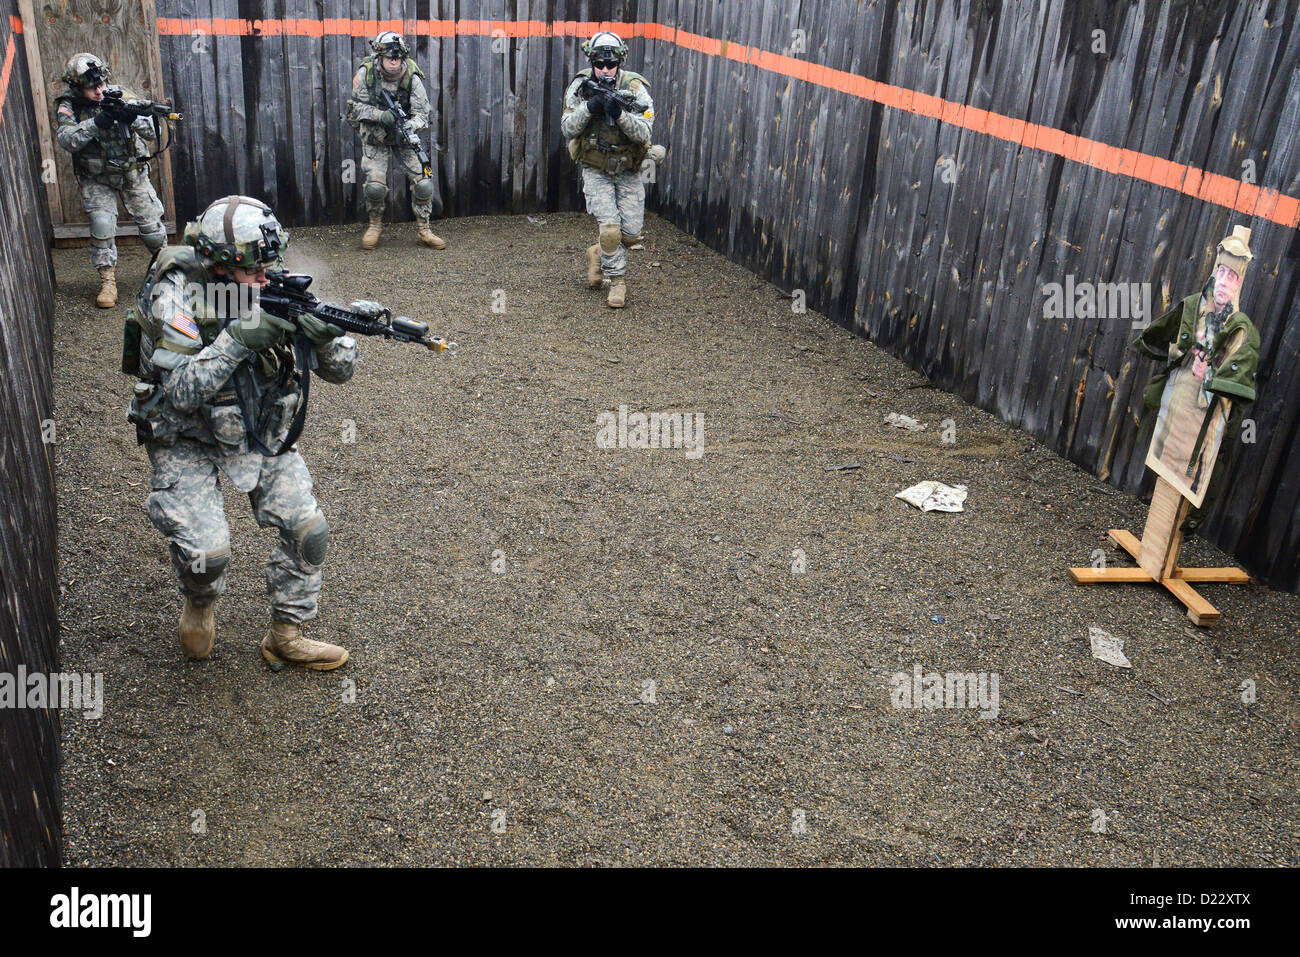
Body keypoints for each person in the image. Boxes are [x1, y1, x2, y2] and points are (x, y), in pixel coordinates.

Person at [124, 195, 358, 669]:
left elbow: (341, 372)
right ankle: (200, 601)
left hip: (257, 429)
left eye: (268, 266)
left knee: (308, 532)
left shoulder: (265, 282)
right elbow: (182, 393)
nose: (264, 279)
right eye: (253, 271)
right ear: (217, 265)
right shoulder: (176, 293)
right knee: (208, 555)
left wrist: (327, 335)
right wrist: (237, 340)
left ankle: (286, 635)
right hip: (184, 435)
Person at [54, 53, 168, 308]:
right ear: (77, 88)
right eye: (91, 88)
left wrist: (133, 118)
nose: (99, 92)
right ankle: (108, 282)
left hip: (131, 172)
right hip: (97, 178)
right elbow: (67, 140)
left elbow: (152, 131)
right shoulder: (69, 106)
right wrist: (96, 123)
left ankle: (167, 274)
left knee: (152, 229)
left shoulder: (121, 96)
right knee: (102, 224)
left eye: (101, 85)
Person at [560, 31, 658, 308]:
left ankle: (598, 252)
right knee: (611, 229)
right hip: (595, 167)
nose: (605, 70)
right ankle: (617, 282)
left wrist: (619, 114)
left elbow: (644, 132)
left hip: (628, 167)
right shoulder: (581, 85)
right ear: (592, 61)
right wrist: (590, 107)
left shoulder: (636, 88)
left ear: (619, 62)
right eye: (600, 65)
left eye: (610, 64)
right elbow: (567, 128)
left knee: (631, 234)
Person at [346, 31, 445, 250]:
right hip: (376, 136)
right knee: (374, 187)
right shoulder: (366, 73)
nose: (394, 60)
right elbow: (353, 110)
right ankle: (374, 226)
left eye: (398, 57)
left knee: (425, 181)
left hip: (404, 137)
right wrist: (381, 116)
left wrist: (410, 126)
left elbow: (422, 114)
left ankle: (424, 230)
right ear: (380, 55)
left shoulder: (412, 75)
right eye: (390, 56)